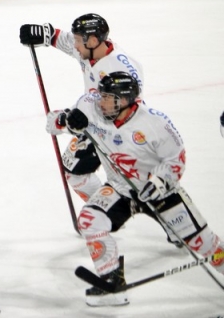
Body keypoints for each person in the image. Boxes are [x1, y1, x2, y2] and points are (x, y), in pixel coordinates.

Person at [46, 71, 224, 306]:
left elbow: (176, 159)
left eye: (108, 97)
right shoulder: (89, 106)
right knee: (90, 220)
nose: (102, 101)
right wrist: (66, 120)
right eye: (101, 95)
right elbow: (52, 123)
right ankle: (112, 282)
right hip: (120, 189)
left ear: (125, 100)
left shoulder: (155, 123)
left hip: (161, 194)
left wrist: (160, 182)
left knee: (206, 244)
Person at [20, 13, 144, 203]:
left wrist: (66, 120)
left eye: (79, 40)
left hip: (119, 133)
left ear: (93, 40)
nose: (75, 45)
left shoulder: (120, 68)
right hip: (96, 126)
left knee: (134, 188)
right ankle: (105, 210)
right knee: (73, 169)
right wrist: (47, 34)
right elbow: (68, 43)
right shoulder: (92, 49)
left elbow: (111, 112)